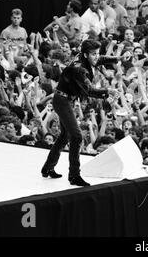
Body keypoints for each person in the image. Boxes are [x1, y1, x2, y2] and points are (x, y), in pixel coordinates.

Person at [41, 39, 117, 186]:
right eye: (93, 54)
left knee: (64, 136)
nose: (97, 56)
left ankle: (47, 168)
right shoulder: (79, 69)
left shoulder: (84, 57)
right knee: (76, 136)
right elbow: (89, 91)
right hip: (62, 100)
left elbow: (100, 59)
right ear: (85, 55)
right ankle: (74, 175)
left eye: (97, 53)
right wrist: (109, 91)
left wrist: (118, 58)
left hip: (65, 100)